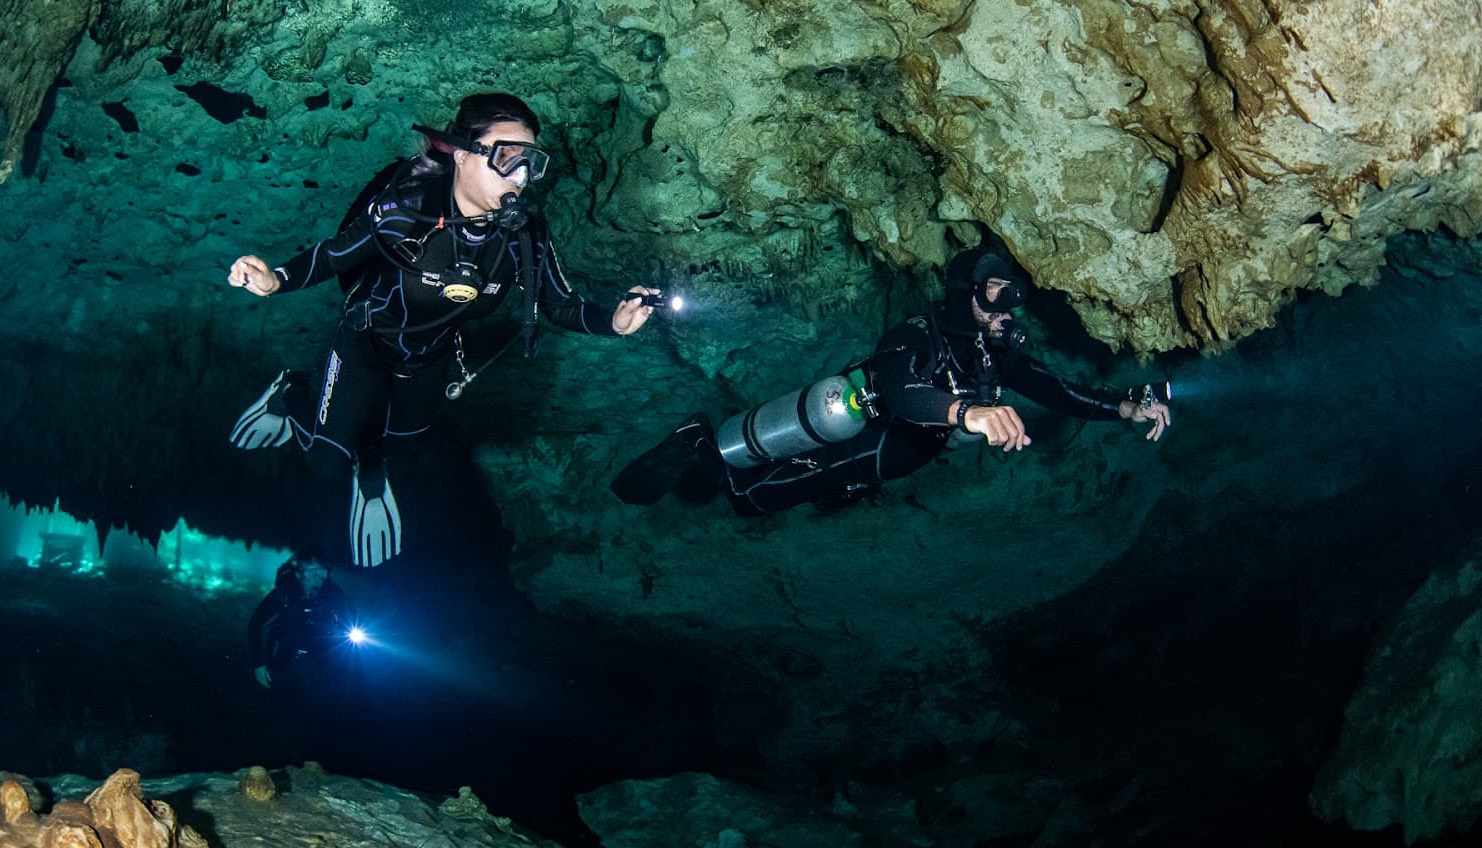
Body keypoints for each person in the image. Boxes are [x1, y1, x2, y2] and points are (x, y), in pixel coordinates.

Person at [226, 93, 659, 565]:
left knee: (404, 460)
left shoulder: (524, 235)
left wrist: (613, 323)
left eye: (531, 164)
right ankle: (292, 397)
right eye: (508, 157)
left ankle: (371, 466)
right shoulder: (405, 207)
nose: (520, 176)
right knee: (325, 462)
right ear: (461, 152)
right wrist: (275, 281)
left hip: (431, 358)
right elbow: (332, 255)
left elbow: (558, 304)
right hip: (365, 343)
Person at [612, 248, 1172, 515]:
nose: (1012, 308)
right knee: (747, 498)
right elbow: (898, 387)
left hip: (882, 464)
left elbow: (1061, 393)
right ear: (967, 293)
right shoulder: (919, 332)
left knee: (780, 492)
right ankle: (696, 436)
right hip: (858, 440)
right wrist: (965, 412)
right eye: (999, 292)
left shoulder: (997, 355)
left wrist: (1127, 406)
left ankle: (714, 451)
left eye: (1017, 296)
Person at [248, 556, 356, 690]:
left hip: (319, 639)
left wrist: (350, 641)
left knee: (332, 674)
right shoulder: (285, 591)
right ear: (299, 573)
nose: (314, 577)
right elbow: (257, 621)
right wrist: (259, 664)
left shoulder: (333, 593)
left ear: (326, 573)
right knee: (279, 666)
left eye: (320, 571)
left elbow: (351, 618)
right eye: (309, 571)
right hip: (289, 637)